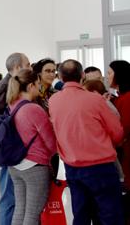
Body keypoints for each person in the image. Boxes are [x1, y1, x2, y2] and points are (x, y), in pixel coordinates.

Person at [49, 59, 124, 224]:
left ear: (60, 77)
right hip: (101, 166)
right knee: (110, 215)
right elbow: (117, 133)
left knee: (81, 214)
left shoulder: (53, 101)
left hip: (72, 167)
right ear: (82, 75)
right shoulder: (95, 100)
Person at [6, 69, 57, 225]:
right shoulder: (34, 109)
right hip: (35, 166)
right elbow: (50, 143)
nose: (39, 88)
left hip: (15, 165)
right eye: (37, 84)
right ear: (30, 86)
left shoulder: (11, 105)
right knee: (33, 214)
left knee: (20, 209)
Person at [0, 52, 31, 225]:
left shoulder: (15, 83)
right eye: (27, 64)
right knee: (8, 196)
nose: (30, 68)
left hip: (15, 146)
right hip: (8, 146)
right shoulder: (6, 84)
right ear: (17, 67)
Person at [108, 61, 130, 194]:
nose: (107, 76)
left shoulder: (127, 98)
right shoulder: (120, 97)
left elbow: (126, 127)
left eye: (110, 73)